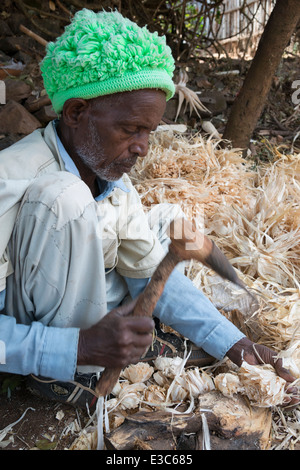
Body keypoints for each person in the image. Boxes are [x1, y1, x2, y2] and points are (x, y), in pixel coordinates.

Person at [0, 9, 296, 410]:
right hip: (44, 335)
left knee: (168, 218)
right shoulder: (12, 180)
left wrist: (236, 345)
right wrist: (79, 345)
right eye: (129, 129)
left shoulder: (108, 176)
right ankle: (67, 373)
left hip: (86, 303)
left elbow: (148, 271)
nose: (142, 148)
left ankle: (124, 337)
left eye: (149, 132)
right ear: (75, 113)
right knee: (64, 196)